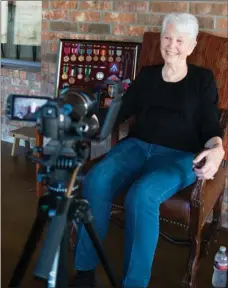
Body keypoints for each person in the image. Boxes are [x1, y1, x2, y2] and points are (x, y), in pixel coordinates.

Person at [71, 13, 225, 288]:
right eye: (167, 37)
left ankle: (134, 283)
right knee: (96, 180)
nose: (171, 45)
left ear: (191, 46)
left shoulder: (203, 79)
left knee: (142, 195)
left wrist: (217, 149)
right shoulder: (148, 75)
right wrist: (90, 120)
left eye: (180, 40)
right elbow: (121, 111)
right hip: (136, 147)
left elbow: (212, 125)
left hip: (180, 155)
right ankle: (84, 270)